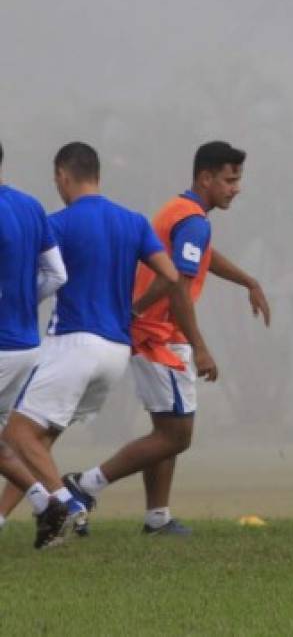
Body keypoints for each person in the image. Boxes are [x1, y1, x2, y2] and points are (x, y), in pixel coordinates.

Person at [62, 141, 270, 536]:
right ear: (205, 177)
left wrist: (248, 279)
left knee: (166, 431)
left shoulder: (184, 213)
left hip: (152, 331)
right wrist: (200, 347)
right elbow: (175, 284)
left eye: (238, 180)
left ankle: (157, 517)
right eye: (229, 180)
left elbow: (196, 258)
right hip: (161, 336)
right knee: (177, 435)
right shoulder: (192, 220)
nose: (236, 188)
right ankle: (83, 486)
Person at [0, 142, 179, 548]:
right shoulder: (133, 221)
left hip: (73, 344)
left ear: (63, 176)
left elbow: (37, 273)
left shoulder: (60, 223)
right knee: (38, 441)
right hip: (116, 350)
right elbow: (169, 276)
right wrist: (134, 310)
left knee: (17, 434)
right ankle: (39, 523)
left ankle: (68, 504)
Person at [0, 140, 68, 534]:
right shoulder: (30, 206)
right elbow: (57, 274)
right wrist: (24, 303)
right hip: (26, 343)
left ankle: (50, 502)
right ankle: (48, 502)